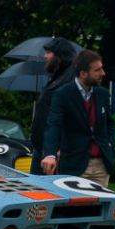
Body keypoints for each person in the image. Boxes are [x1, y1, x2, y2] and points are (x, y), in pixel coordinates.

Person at [41, 48, 114, 187]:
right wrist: (50, 154)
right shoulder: (63, 94)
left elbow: (110, 123)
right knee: (75, 208)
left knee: (100, 207)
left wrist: (110, 142)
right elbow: (53, 125)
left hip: (101, 165)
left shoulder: (103, 94)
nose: (103, 73)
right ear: (83, 73)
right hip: (74, 164)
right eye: (97, 70)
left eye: (102, 68)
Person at [29, 38, 78, 168]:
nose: (45, 56)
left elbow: (71, 117)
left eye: (49, 53)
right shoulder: (58, 77)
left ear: (59, 56)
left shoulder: (70, 80)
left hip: (52, 153)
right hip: (43, 149)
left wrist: (57, 149)